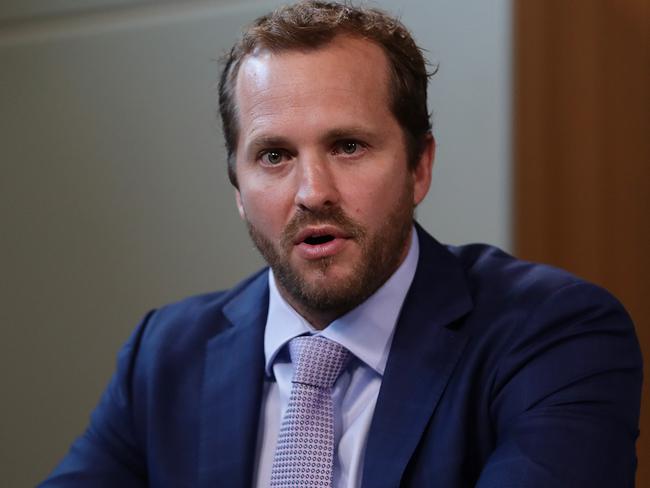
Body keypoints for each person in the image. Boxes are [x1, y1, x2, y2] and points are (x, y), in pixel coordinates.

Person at [41, 1, 642, 487]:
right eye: (274, 155)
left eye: (348, 146)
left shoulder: (552, 333)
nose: (312, 192)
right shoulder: (165, 355)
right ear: (238, 189)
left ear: (419, 167)